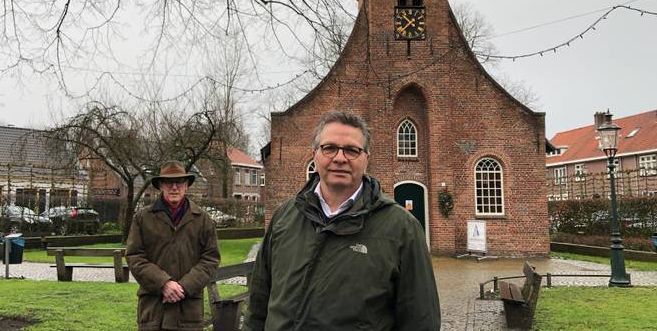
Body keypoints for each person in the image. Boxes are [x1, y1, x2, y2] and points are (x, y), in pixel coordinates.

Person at [245, 110, 441, 331]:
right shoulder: (284, 217)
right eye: (329, 148)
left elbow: (421, 321)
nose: (339, 158)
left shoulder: (402, 229)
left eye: (351, 150)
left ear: (366, 159)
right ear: (315, 155)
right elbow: (258, 303)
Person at [126, 161, 220, 331]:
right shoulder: (142, 218)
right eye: (169, 182)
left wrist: (183, 287)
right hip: (154, 312)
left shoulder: (202, 219)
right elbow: (135, 257)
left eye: (179, 182)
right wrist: (164, 283)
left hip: (187, 313)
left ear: (186, 186)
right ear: (161, 185)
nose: (174, 187)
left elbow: (211, 259)